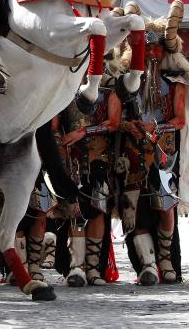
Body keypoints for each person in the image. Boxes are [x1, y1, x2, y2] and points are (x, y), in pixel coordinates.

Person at [118, 1, 189, 286]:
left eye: (157, 50)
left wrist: (156, 127)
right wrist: (130, 126)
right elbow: (118, 115)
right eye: (148, 49)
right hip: (132, 151)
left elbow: (180, 119)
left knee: (164, 206)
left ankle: (166, 261)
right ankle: (146, 264)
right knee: (133, 207)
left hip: (163, 152)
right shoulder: (127, 81)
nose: (152, 55)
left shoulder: (176, 81)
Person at [55, 79, 121, 287]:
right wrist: (58, 144)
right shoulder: (63, 87)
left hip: (99, 157)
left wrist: (83, 132)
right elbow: (54, 123)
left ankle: (93, 268)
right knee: (75, 209)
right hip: (71, 156)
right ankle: (77, 266)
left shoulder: (108, 90)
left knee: (98, 210)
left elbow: (113, 123)